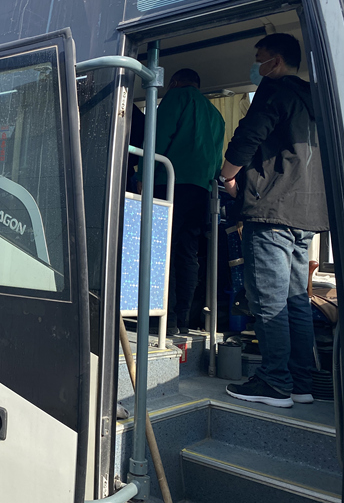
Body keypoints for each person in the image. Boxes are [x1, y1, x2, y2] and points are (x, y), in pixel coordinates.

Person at [220, 33, 329, 408]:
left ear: (276, 62)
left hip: (271, 211)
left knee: (268, 300)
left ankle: (273, 383)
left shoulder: (273, 91)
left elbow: (247, 136)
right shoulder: (316, 100)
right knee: (296, 301)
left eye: (260, 59)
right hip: (306, 216)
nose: (257, 66)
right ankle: (300, 383)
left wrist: (228, 177)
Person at [138, 68, 225, 335]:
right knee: (188, 252)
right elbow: (217, 161)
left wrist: (142, 176)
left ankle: (162, 316)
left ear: (174, 82)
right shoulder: (216, 115)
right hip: (202, 190)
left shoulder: (176, 98)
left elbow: (156, 139)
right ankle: (183, 317)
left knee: (161, 249)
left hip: (169, 183)